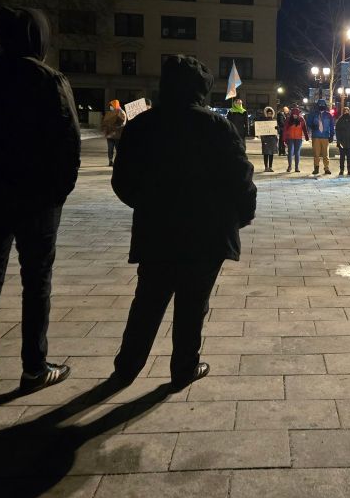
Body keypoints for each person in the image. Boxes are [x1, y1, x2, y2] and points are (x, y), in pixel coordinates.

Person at [110, 55, 256, 389]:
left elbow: (122, 179)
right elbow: (241, 176)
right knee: (193, 303)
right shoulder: (216, 126)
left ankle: (127, 367)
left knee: (148, 300)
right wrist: (242, 214)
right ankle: (184, 367)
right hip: (206, 232)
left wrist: (147, 204)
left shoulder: (143, 125)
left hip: (156, 229)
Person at [0, 7, 81, 393]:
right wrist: (58, 192)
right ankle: (34, 366)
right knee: (36, 280)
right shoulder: (49, 80)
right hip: (38, 198)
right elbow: (69, 142)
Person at [306, 98, 334, 175]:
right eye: (320, 105)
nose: (321, 106)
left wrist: (331, 135)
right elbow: (308, 123)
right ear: (317, 105)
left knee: (326, 154)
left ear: (325, 106)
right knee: (316, 154)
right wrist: (312, 126)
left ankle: (326, 168)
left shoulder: (329, 115)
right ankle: (316, 168)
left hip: (325, 136)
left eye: (323, 105)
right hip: (316, 136)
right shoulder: (313, 114)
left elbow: (331, 126)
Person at [281, 104, 308, 173]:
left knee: (297, 153)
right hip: (290, 138)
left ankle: (296, 167)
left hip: (298, 139)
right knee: (290, 153)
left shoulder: (301, 119)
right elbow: (285, 129)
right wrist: (284, 139)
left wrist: (306, 137)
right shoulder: (288, 119)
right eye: (294, 114)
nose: (295, 116)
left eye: (296, 114)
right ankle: (289, 166)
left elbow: (304, 128)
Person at [101, 99, 126, 166]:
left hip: (117, 135)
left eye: (111, 105)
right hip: (110, 134)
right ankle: (110, 161)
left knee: (118, 149)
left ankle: (118, 161)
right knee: (110, 148)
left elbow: (122, 123)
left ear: (115, 105)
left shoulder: (121, 112)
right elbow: (105, 122)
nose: (110, 107)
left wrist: (114, 123)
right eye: (110, 105)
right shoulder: (110, 112)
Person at [334, 106, 350, 176]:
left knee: (349, 157)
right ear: (343, 112)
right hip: (342, 142)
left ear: (349, 111)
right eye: (345, 111)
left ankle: (349, 170)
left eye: (347, 111)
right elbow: (337, 131)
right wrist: (338, 141)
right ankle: (341, 170)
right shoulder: (340, 120)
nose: (346, 112)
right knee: (342, 157)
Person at [260, 105, 279, 172]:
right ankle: (266, 167)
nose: (269, 114)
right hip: (266, 139)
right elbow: (261, 130)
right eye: (268, 113)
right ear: (266, 114)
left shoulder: (274, 121)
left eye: (271, 113)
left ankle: (270, 167)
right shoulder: (263, 121)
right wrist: (262, 139)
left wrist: (277, 128)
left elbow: (277, 130)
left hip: (272, 139)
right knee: (266, 153)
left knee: (271, 153)